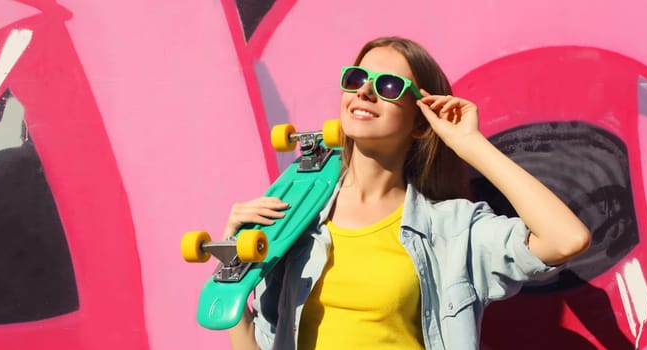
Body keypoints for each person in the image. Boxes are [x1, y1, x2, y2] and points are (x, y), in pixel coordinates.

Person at [222, 37, 591, 350]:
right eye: (356, 79)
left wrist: (471, 145)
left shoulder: (452, 230)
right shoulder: (296, 216)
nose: (364, 91)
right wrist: (230, 271)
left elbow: (566, 239)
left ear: (419, 122)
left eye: (387, 86)